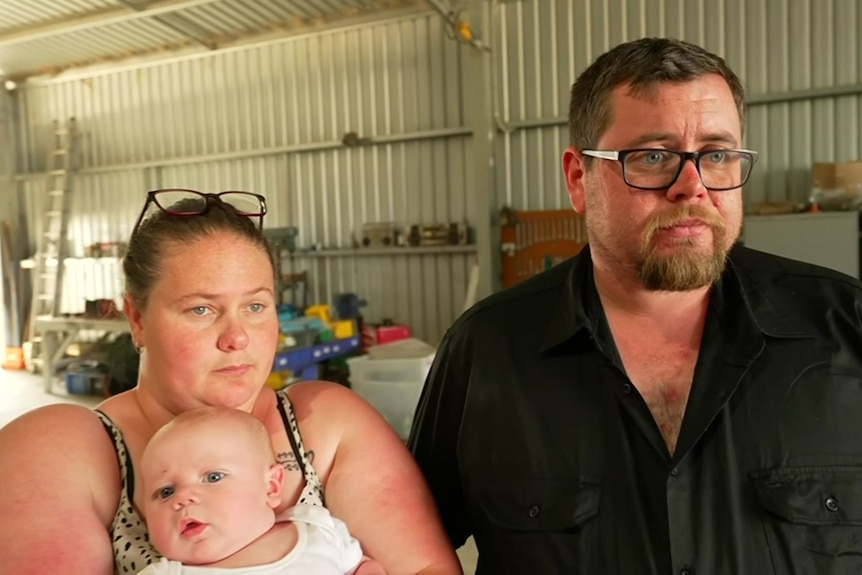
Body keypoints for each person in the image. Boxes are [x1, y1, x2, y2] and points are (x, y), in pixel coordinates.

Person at [408, 36, 862, 574]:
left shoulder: (844, 326)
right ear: (580, 179)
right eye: (652, 157)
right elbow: (406, 548)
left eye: (716, 155)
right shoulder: (486, 353)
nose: (692, 187)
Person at [0, 188, 462, 575]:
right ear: (137, 319)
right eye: (201, 309)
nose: (238, 337)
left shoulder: (323, 421)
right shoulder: (65, 449)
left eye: (256, 306)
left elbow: (424, 568)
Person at [137, 406, 384, 574]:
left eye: (213, 477)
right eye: (166, 492)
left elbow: (363, 567)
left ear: (271, 486)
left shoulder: (317, 529)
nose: (182, 499)